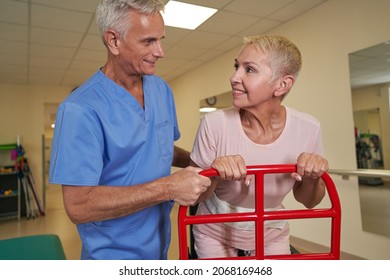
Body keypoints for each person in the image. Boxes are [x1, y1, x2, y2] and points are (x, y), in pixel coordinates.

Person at [49, 0, 211, 260]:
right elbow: (78, 205)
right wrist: (168, 187)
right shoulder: (80, 109)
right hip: (112, 255)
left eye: (161, 39)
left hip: (159, 246)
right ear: (114, 41)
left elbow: (156, 149)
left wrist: (199, 163)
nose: (160, 52)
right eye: (148, 42)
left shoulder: (161, 90)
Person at [190, 34, 329, 258]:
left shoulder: (308, 128)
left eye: (249, 69)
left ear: (282, 84)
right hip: (215, 232)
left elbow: (310, 201)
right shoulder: (214, 124)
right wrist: (214, 173)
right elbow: (195, 197)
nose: (234, 77)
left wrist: (313, 176)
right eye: (237, 66)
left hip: (271, 232)